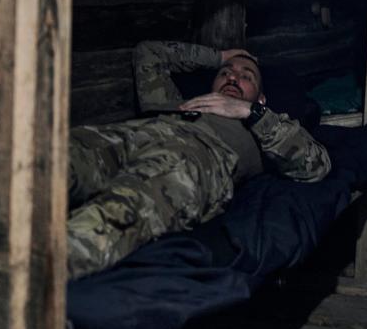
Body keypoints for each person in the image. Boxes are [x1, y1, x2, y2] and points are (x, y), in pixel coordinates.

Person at [66, 40, 331, 280]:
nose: (233, 77)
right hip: (133, 135)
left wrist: (250, 111)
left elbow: (316, 165)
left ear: (261, 98)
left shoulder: (265, 127)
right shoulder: (175, 103)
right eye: (225, 73)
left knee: (120, 209)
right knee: (60, 154)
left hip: (196, 156)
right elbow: (148, 53)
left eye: (246, 76)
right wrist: (219, 56)